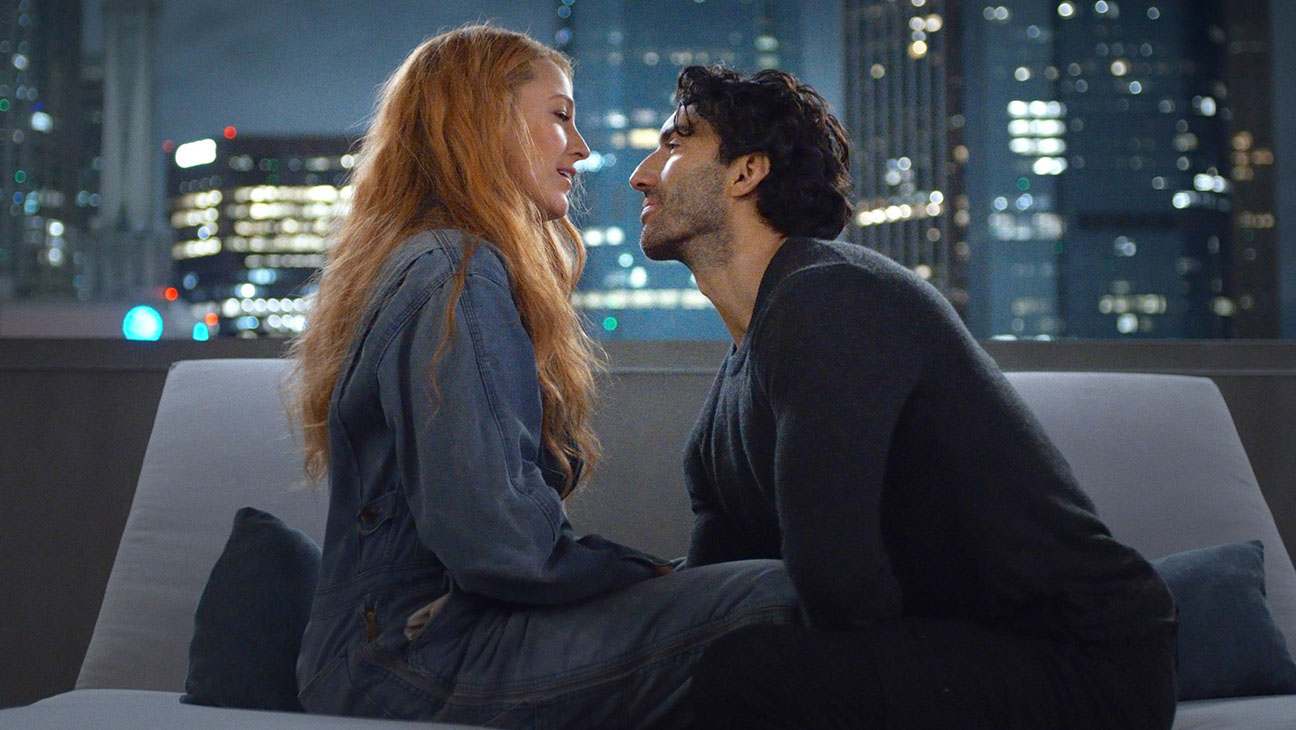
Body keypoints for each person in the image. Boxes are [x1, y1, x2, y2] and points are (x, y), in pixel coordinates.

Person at [628, 65, 1178, 730]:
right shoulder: (732, 394)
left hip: (1083, 661)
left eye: (675, 143)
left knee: (746, 676)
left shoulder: (830, 301)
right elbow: (713, 596)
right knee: (691, 675)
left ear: (747, 172)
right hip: (956, 644)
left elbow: (838, 583)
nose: (641, 175)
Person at [289, 28, 798, 729]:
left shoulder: (431, 260)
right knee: (779, 599)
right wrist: (649, 576)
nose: (581, 148)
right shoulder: (455, 271)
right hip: (414, 659)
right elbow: (499, 544)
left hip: (399, 648)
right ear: (483, 122)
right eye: (560, 116)